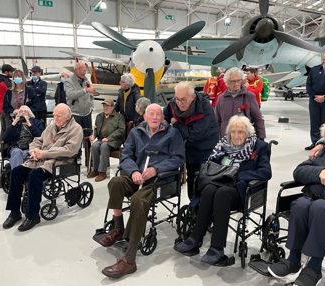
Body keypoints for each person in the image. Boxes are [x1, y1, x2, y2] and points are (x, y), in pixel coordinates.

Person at [98, 103, 185, 279]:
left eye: (158, 114)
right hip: (136, 176)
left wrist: (157, 169)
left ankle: (129, 258)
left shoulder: (172, 133)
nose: (154, 117)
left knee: (139, 199)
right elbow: (127, 156)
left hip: (158, 181)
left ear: (162, 117)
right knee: (115, 182)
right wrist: (134, 171)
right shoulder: (136, 132)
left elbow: (178, 158)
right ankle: (118, 228)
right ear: (144, 117)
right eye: (151, 114)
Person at [174, 115, 272, 265]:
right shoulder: (223, 145)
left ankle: (217, 248)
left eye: (240, 132)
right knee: (208, 190)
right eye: (233, 131)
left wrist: (239, 174)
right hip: (220, 183)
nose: (236, 135)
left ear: (248, 133)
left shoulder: (258, 147)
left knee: (222, 193)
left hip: (241, 190)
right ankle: (195, 238)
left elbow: (266, 172)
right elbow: (211, 164)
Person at [268, 118, 325, 286]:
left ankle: (314, 268)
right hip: (315, 204)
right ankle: (293, 259)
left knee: (320, 208)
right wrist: (320, 172)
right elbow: (299, 172)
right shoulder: (324, 153)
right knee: (300, 204)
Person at [3, 104, 82, 232]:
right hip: (41, 159)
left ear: (68, 117)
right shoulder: (51, 126)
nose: (55, 118)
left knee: (34, 176)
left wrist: (45, 154)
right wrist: (33, 150)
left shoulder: (76, 129)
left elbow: (70, 150)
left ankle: (33, 216)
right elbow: (37, 140)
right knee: (17, 171)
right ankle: (14, 212)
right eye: (54, 115)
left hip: (60, 162)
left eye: (59, 116)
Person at [164, 81, 219, 199]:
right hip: (188, 149)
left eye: (183, 100)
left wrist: (176, 124)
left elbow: (194, 134)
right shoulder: (174, 103)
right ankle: (192, 207)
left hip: (206, 149)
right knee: (191, 179)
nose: (179, 103)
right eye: (177, 99)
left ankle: (202, 208)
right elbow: (164, 118)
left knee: (203, 180)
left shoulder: (204, 107)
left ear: (193, 97)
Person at [215, 67, 266, 140]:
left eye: (238, 81)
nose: (236, 84)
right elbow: (217, 121)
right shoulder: (221, 98)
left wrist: (261, 138)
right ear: (227, 82)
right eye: (233, 81)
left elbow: (258, 119)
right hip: (226, 140)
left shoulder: (249, 96)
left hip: (245, 140)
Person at [65, 62, 97, 166]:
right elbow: (70, 95)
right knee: (75, 138)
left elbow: (91, 93)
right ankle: (76, 159)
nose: (84, 72)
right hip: (75, 114)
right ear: (76, 70)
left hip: (87, 113)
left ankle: (89, 161)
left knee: (88, 137)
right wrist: (85, 90)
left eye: (85, 70)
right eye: (82, 70)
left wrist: (91, 104)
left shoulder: (87, 81)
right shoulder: (69, 81)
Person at [87, 98, 125, 182]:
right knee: (94, 145)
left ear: (112, 107)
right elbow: (96, 129)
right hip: (101, 139)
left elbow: (121, 130)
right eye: (104, 106)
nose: (105, 108)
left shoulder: (119, 117)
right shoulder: (99, 116)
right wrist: (94, 135)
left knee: (104, 146)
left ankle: (102, 172)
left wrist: (109, 138)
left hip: (114, 141)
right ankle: (96, 169)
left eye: (107, 106)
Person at [2, 69, 34, 156]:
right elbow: (5, 107)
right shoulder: (9, 92)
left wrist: (25, 110)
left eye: (19, 76)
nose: (17, 78)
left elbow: (35, 105)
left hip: (27, 118)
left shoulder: (30, 91)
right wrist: (13, 111)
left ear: (23, 78)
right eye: (15, 77)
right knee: (11, 135)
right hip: (13, 119)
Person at [2, 105, 44, 169]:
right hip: (17, 147)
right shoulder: (14, 123)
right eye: (21, 112)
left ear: (30, 114)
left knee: (26, 155)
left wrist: (30, 125)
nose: (23, 113)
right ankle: (16, 176)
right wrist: (14, 123)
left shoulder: (37, 122)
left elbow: (41, 136)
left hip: (31, 148)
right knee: (17, 152)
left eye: (25, 111)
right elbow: (5, 138)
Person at [0, 64, 15, 155]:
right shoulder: (5, 82)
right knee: (9, 129)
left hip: (0, 109)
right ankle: (7, 149)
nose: (12, 73)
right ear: (6, 72)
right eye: (11, 72)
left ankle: (2, 148)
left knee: (3, 129)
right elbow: (12, 94)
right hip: (6, 109)